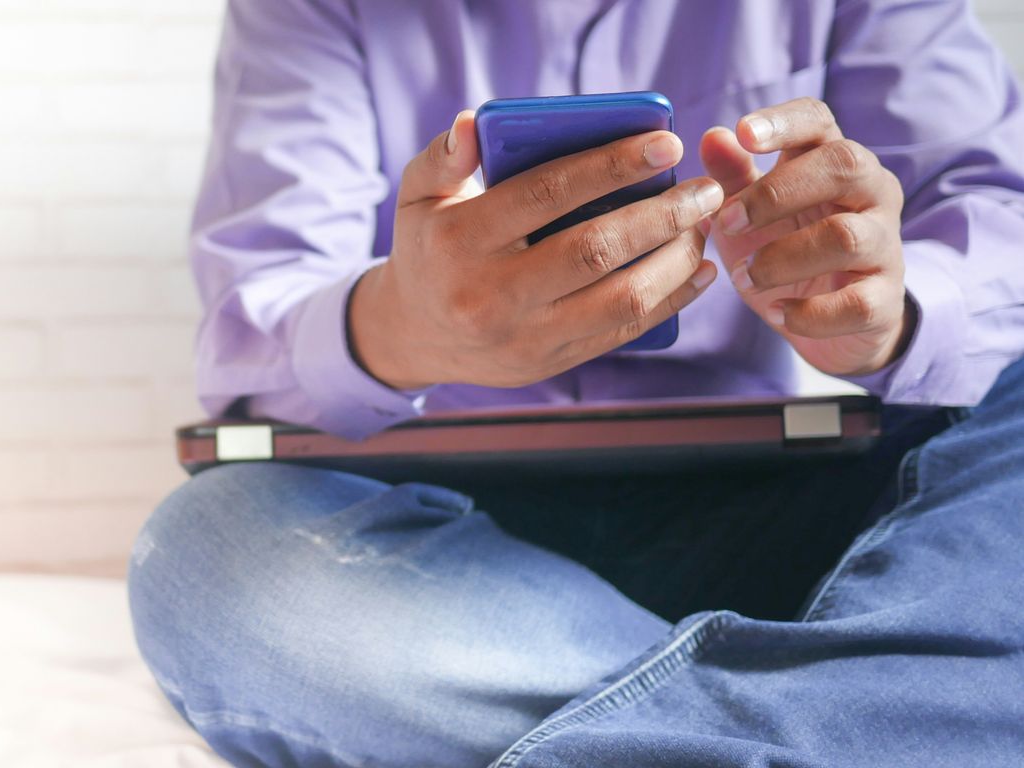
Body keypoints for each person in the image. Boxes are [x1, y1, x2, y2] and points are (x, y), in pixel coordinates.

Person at [129, 1, 1024, 766]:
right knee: (214, 552)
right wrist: (410, 325)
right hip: (444, 529)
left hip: (811, 502)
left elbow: (999, 220)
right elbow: (258, 312)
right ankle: (889, 709)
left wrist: (896, 310)